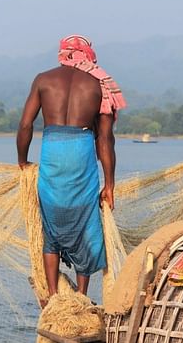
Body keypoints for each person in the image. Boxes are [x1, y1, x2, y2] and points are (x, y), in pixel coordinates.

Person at [16, 35, 126, 300]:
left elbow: (25, 126)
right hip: (81, 154)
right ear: (88, 54)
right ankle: (82, 296)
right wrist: (109, 185)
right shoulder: (100, 83)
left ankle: (53, 295)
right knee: (86, 222)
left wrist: (22, 161)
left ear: (63, 53)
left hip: (53, 152)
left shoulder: (43, 79)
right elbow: (106, 140)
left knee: (51, 225)